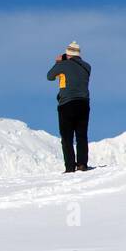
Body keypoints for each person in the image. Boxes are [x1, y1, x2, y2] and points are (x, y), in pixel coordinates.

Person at [46, 41, 92, 173]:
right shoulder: (87, 66)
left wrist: (58, 62)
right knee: (81, 135)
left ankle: (70, 166)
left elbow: (50, 76)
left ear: (68, 54)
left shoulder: (63, 65)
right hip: (84, 103)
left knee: (67, 136)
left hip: (67, 103)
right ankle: (82, 164)